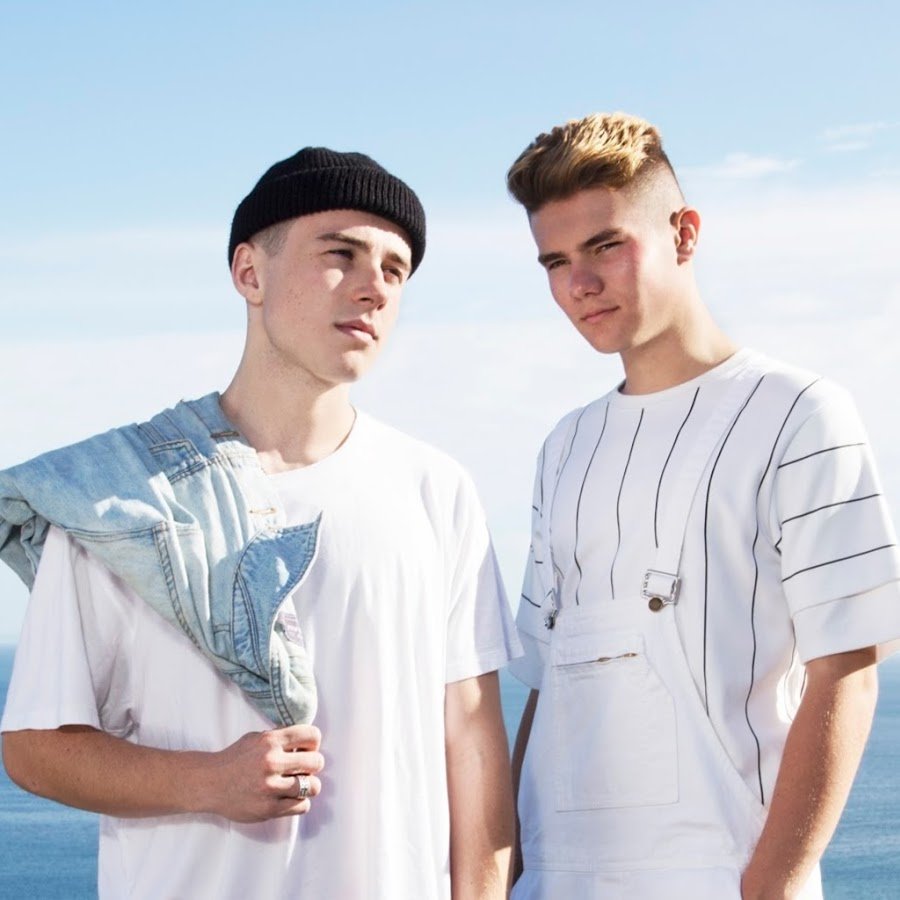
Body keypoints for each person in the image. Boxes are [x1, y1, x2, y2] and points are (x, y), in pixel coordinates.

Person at [0, 147, 520, 899]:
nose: (374, 287)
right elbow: (35, 748)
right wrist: (206, 781)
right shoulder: (121, 499)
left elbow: (472, 742)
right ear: (250, 273)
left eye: (395, 269)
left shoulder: (436, 490)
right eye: (340, 255)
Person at [505, 112, 900, 899]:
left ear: (684, 234)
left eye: (606, 246)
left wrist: (770, 888)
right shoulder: (564, 446)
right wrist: (508, 875)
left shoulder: (799, 414)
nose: (579, 284)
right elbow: (546, 684)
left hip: (716, 878)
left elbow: (848, 670)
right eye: (555, 261)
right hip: (555, 882)